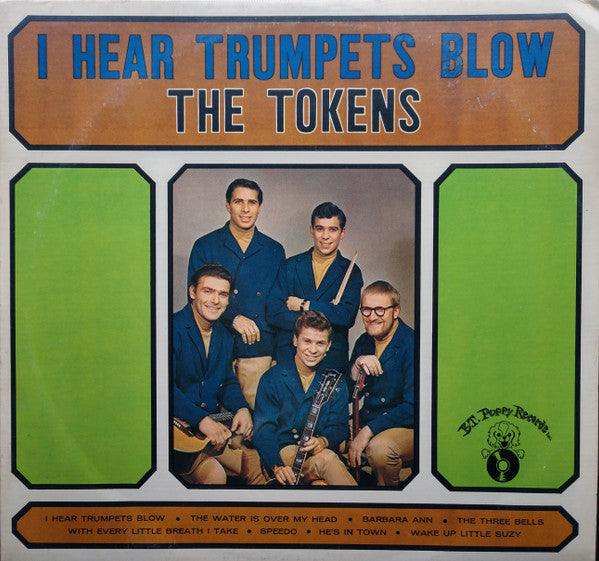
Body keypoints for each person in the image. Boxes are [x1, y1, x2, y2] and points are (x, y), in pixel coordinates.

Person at [187, 178, 285, 409]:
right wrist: (234, 318)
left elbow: (278, 307)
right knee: (211, 417)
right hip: (211, 346)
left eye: (252, 202)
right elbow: (194, 300)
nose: (245, 209)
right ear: (227, 205)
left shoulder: (274, 250)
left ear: (260, 207)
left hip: (257, 350)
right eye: (238, 201)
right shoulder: (205, 245)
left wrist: (277, 356)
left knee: (251, 420)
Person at [172, 263, 265, 485]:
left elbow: (227, 381)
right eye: (208, 291)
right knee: (215, 476)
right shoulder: (171, 328)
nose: (215, 300)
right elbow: (163, 388)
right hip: (175, 433)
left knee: (256, 460)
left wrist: (241, 408)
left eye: (222, 294)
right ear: (192, 291)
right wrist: (201, 419)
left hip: (207, 431)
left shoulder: (224, 335)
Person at [253, 311, 357, 486]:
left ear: (329, 345)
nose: (313, 350)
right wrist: (276, 465)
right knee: (328, 460)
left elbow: (339, 426)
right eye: (307, 341)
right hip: (283, 453)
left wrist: (324, 441)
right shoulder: (272, 378)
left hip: (319, 452)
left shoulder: (336, 381)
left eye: (320, 343)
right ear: (295, 340)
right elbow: (263, 431)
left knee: (322, 485)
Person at [266, 202, 363, 373]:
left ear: (342, 233)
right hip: (290, 356)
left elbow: (346, 316)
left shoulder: (351, 271)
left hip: (331, 359)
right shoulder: (290, 266)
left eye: (332, 229)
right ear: (311, 230)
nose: (325, 236)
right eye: (320, 229)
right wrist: (326, 313)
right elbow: (274, 312)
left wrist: (305, 305)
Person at [347, 281, 415, 486]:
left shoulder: (412, 344)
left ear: (396, 311)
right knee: (327, 436)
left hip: (405, 425)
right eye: (366, 310)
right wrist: (356, 366)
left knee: (380, 449)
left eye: (379, 310)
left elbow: (413, 408)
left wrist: (368, 431)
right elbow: (347, 394)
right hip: (369, 418)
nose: (372, 317)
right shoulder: (364, 342)